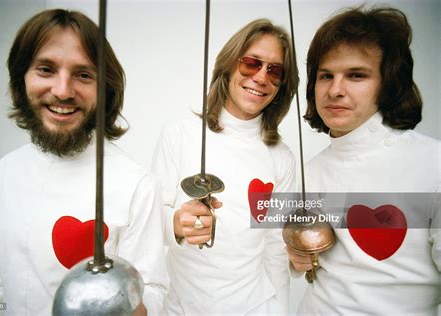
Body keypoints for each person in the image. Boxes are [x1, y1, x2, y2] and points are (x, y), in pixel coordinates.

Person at [0, 9, 168, 315]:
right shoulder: (4, 171)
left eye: (83, 75)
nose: (63, 91)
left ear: (104, 89)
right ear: (21, 77)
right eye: (46, 69)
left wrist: (138, 310)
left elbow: (153, 290)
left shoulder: (136, 184)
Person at [287, 6, 440, 314]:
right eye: (326, 76)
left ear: (387, 83)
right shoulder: (308, 172)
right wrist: (295, 256)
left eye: (356, 75)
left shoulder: (434, 163)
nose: (335, 90)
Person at [152, 19, 298, 314]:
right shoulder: (179, 134)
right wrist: (177, 224)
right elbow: (151, 225)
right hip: (182, 308)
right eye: (251, 63)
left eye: (275, 70)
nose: (260, 77)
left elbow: (275, 248)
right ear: (230, 65)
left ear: (282, 84)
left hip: (256, 307)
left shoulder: (281, 156)